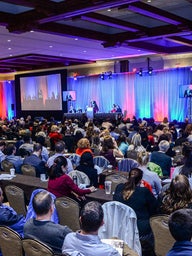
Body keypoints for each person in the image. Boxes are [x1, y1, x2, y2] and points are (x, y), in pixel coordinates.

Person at [113, 168, 158, 254]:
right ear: (141, 180)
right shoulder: (144, 191)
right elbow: (154, 209)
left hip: (120, 225)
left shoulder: (119, 188)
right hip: (140, 230)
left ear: (128, 177)